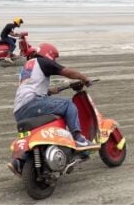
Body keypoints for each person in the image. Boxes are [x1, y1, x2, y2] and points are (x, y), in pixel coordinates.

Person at [7, 43, 94, 176]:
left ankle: (20, 161)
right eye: (54, 58)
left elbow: (32, 87)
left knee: (37, 132)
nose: (53, 61)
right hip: (33, 103)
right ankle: (78, 138)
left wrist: (50, 91)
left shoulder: (28, 67)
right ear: (49, 55)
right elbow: (67, 72)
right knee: (68, 105)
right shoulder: (43, 62)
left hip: (19, 109)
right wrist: (84, 78)